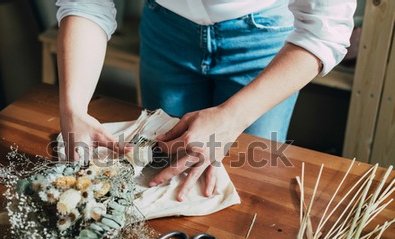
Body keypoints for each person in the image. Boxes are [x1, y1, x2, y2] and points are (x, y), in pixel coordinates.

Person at [55, 0, 356, 201]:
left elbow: (324, 31)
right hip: (166, 33)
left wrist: (231, 118)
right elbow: (86, 3)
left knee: (249, 181)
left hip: (266, 45)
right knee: (161, 177)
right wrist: (73, 107)